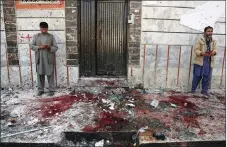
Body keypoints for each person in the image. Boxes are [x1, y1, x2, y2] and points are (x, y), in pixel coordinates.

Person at [30, 22, 58, 96]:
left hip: (48, 59)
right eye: (42, 29)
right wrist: (39, 47)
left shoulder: (51, 37)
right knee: (40, 74)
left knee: (50, 74)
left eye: (45, 29)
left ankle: (51, 90)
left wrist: (49, 47)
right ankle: (40, 90)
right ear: (40, 28)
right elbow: (32, 46)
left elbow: (55, 47)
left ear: (47, 29)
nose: (43, 31)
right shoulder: (36, 36)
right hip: (39, 59)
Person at [191, 26, 217, 96]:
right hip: (200, 60)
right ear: (205, 32)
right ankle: (193, 90)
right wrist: (201, 53)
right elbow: (196, 50)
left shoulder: (214, 40)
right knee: (197, 76)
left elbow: (215, 49)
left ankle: (204, 91)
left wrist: (213, 52)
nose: (210, 32)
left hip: (209, 61)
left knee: (207, 77)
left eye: (211, 31)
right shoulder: (200, 39)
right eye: (208, 31)